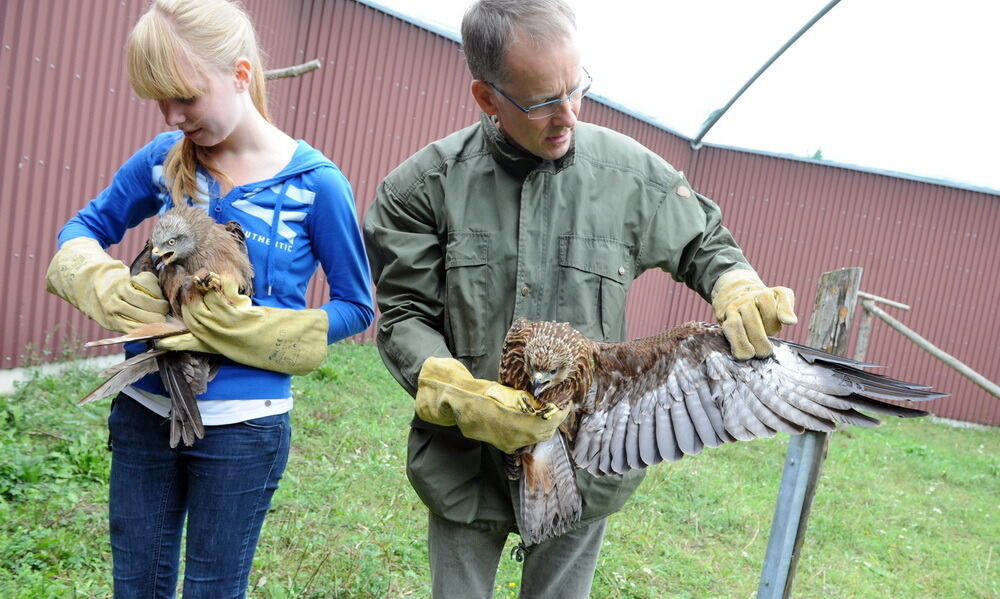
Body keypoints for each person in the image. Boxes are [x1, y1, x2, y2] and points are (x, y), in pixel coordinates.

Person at [362, 0, 797, 596]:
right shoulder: (420, 190)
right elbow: (405, 316)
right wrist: (456, 390)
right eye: (543, 101)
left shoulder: (629, 176)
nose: (567, 115)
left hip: (583, 463)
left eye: (576, 88)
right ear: (487, 98)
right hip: (464, 460)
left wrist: (734, 283)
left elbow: (704, 243)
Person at [44, 0, 374, 596]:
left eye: (186, 97)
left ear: (240, 75)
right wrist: (104, 284)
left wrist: (260, 329)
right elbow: (81, 230)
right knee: (136, 588)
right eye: (159, 100)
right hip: (144, 411)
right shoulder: (161, 160)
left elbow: (357, 305)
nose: (172, 115)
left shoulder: (316, 185)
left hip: (245, 432)